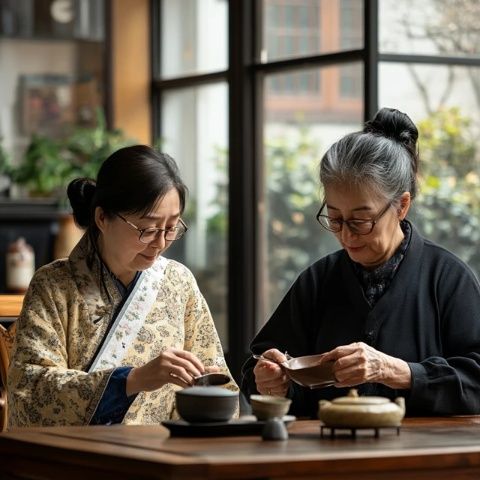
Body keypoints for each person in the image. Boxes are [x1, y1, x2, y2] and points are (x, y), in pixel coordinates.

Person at [241, 108, 480, 418]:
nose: (346, 235)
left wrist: (395, 371)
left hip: (424, 461)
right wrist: (269, 380)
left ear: (402, 205)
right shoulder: (318, 281)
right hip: (326, 458)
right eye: (335, 218)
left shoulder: (447, 278)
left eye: (361, 220)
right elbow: (255, 373)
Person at [8, 145, 237, 427]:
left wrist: (204, 389)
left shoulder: (179, 283)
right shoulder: (54, 286)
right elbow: (31, 390)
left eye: (171, 228)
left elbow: (221, 386)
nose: (160, 242)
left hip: (162, 458)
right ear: (103, 218)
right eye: (149, 228)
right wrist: (132, 380)